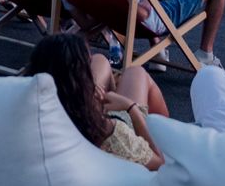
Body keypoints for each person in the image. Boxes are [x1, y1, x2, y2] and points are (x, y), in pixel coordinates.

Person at [23, 34, 165, 170]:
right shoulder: (107, 132)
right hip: (121, 128)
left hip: (81, 111)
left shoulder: (31, 112)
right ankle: (165, 134)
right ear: (79, 82)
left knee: (100, 60)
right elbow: (159, 163)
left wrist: (89, 90)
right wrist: (131, 108)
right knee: (137, 72)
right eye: (87, 67)